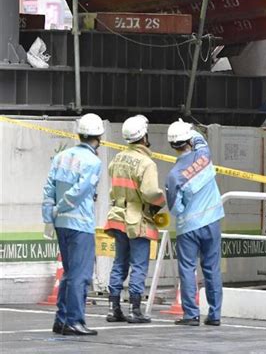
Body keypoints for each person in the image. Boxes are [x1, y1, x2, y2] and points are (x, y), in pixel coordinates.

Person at [42, 112, 104, 336]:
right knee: (80, 274)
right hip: (80, 225)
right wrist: (62, 207)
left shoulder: (61, 156)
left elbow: (49, 187)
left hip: (61, 224)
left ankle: (61, 320)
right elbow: (79, 192)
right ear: (98, 137)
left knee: (69, 273)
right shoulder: (93, 161)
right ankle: (74, 321)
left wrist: (50, 214)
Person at [104, 115, 166, 324]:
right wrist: (161, 200)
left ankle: (114, 309)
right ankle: (134, 309)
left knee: (120, 262)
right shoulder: (146, 163)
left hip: (117, 216)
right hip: (137, 219)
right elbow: (150, 193)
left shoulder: (117, 158)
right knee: (138, 265)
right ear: (144, 136)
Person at [166, 119, 225, 327]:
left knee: (188, 269)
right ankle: (215, 314)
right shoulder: (204, 156)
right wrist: (190, 128)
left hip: (188, 227)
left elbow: (175, 208)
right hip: (212, 221)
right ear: (189, 141)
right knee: (212, 268)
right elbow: (201, 140)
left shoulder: (173, 176)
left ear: (172, 146)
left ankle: (191, 315)